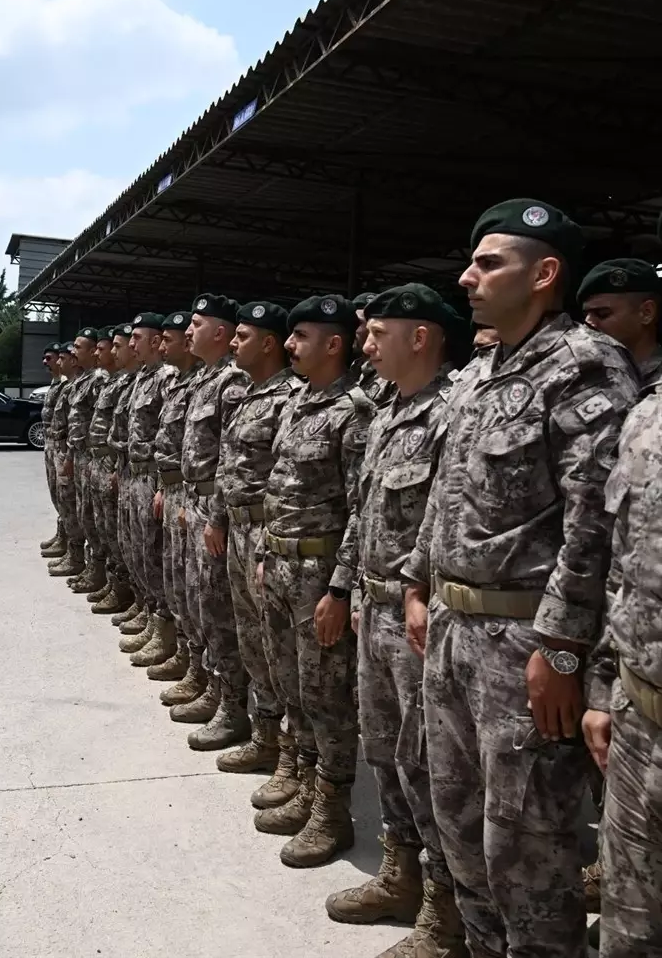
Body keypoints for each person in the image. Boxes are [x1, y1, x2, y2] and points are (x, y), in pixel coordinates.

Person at [402, 199, 638, 958]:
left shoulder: (585, 366)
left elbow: (595, 522)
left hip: (521, 647)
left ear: (544, 274)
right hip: (453, 632)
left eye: (488, 263)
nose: (467, 277)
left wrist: (563, 647)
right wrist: (419, 585)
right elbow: (444, 498)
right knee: (461, 828)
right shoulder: (479, 375)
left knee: (529, 850)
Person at [325, 284, 466, 958]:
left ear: (422, 337)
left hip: (419, 618)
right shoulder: (387, 414)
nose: (365, 342)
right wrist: (341, 586)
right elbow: (363, 514)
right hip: (372, 606)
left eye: (379, 331)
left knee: (426, 762)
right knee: (385, 752)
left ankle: (446, 910)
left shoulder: (452, 412)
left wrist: (417, 592)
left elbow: (451, 524)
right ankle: (400, 872)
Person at [252, 293, 373, 868]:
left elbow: (361, 509)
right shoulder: (299, 402)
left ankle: (331, 810)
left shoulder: (353, 411)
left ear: (334, 344)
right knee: (290, 682)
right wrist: (261, 549)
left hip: (318, 573)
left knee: (326, 696)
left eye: (300, 336)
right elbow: (276, 486)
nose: (290, 345)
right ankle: (298, 775)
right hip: (278, 562)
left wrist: (340, 590)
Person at [583, 384, 662, 958]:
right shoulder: (647, 413)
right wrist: (604, 686)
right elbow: (622, 569)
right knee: (627, 932)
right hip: (638, 714)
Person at [212, 301, 299, 774]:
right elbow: (229, 467)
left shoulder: (290, 398)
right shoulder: (246, 393)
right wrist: (218, 518)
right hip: (238, 528)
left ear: (268, 342)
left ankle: (290, 750)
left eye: (241, 336)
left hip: (268, 537)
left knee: (277, 647)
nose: (232, 343)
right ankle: (263, 734)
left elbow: (287, 484)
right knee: (250, 638)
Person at [170, 294, 252, 752]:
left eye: (196, 324)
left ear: (219, 332)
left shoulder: (232, 383)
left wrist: (216, 514)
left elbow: (231, 459)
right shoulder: (205, 378)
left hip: (217, 512)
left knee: (220, 612)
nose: (187, 333)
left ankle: (233, 706)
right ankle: (214, 687)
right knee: (200, 601)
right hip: (197, 504)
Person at [133, 310, 198, 674]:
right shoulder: (176, 381)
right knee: (158, 565)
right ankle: (163, 630)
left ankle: (198, 667)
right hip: (163, 484)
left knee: (194, 590)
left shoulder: (175, 379)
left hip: (190, 496)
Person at [121, 314, 170, 643]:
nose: (130, 343)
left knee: (154, 553)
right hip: (134, 472)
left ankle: (164, 626)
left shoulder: (166, 378)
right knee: (137, 549)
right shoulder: (141, 377)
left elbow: (171, 437)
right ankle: (148, 609)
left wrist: (164, 485)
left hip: (153, 478)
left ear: (155, 341)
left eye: (137, 337)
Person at [86, 328, 134, 615]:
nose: (105, 353)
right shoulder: (118, 382)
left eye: (116, 346)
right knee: (104, 528)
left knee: (139, 548)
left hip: (133, 470)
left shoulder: (158, 381)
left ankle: (139, 601)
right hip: (109, 463)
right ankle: (120, 586)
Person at [97, 324, 139, 616]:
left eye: (116, 345)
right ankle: (136, 598)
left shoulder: (160, 380)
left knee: (147, 551)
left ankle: (156, 614)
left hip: (147, 475)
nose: (111, 352)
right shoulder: (124, 383)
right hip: (119, 467)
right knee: (117, 536)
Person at [64, 328, 106, 596]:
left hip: (95, 459)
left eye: (79, 347)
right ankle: (91, 566)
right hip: (80, 456)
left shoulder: (98, 381)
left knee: (98, 520)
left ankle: (102, 574)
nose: (73, 352)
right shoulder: (82, 380)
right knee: (84, 514)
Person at [579, 257, 662, 386]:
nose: (588, 323)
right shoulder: (583, 375)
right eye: (585, 315)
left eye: (602, 314)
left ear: (647, 313)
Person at [46, 344, 84, 578]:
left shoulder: (79, 385)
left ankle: (77, 553)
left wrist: (69, 454)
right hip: (56, 445)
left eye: (61, 357)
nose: (56, 362)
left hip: (70, 450)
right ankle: (67, 541)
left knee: (71, 501)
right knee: (61, 498)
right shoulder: (64, 385)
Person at [39, 344, 67, 558]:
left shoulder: (67, 385)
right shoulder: (55, 384)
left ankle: (68, 541)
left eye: (49, 358)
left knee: (65, 496)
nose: (45, 362)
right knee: (56, 494)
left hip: (62, 446)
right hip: (50, 445)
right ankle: (62, 534)